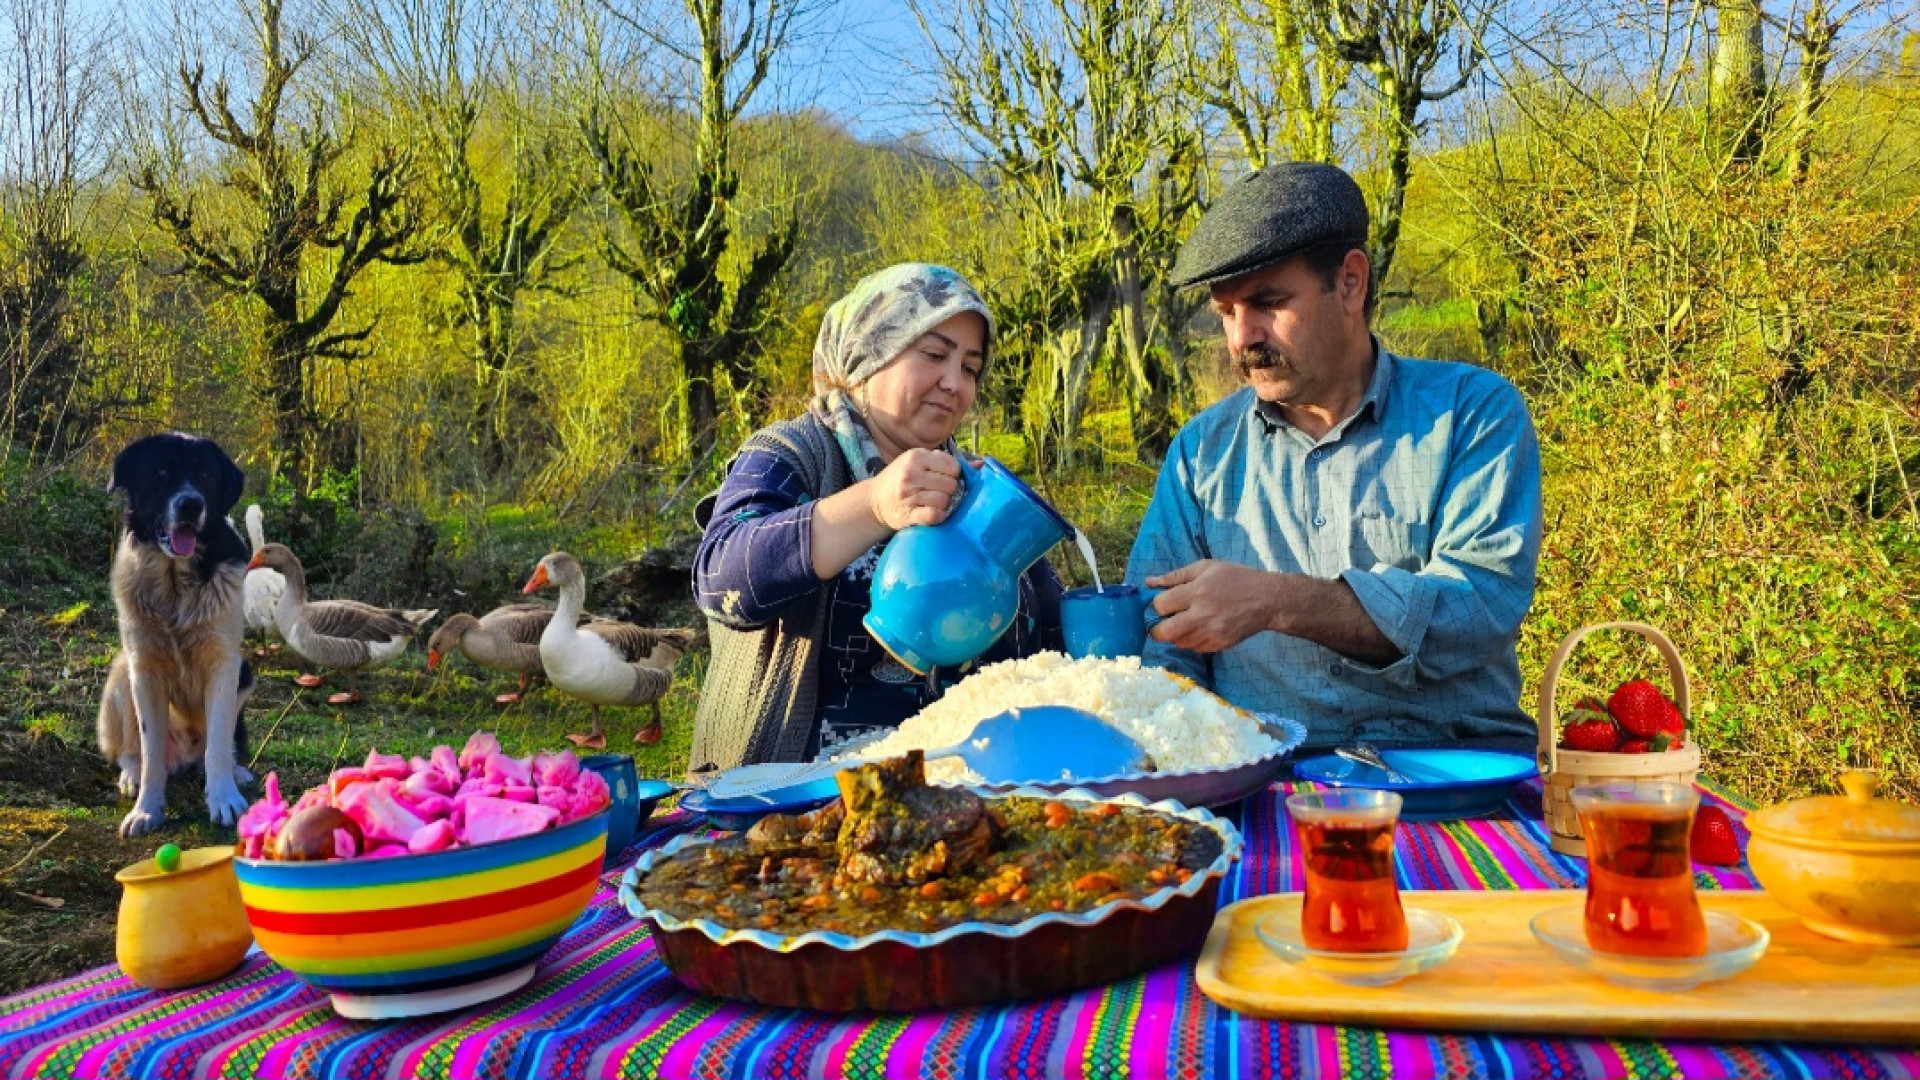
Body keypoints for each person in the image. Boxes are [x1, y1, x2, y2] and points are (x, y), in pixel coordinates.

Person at [1125, 162, 1543, 754]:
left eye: (1268, 302)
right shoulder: (1200, 454)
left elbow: (1477, 610)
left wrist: (1275, 602)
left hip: (1455, 779)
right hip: (1264, 783)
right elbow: (1160, 651)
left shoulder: (1472, 414)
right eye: (1226, 313)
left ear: (1350, 282)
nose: (1243, 337)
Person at [689, 263, 1064, 773]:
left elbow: (1053, 633)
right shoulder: (792, 454)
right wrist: (873, 504)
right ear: (869, 355)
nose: (954, 383)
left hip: (962, 789)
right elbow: (720, 580)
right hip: (800, 800)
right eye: (934, 354)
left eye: (971, 368)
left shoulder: (975, 487)